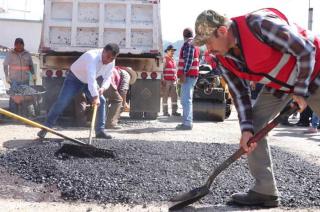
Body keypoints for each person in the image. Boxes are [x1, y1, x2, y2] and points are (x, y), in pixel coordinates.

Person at [193, 8, 320, 207]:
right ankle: (265, 191)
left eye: (208, 42)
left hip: (313, 71)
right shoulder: (222, 58)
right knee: (254, 125)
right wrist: (246, 130)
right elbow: (240, 94)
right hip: (281, 84)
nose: (208, 49)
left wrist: (301, 90)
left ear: (223, 31)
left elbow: (306, 50)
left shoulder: (260, 25)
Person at [37, 43, 120, 139]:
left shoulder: (111, 62)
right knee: (62, 102)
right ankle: (46, 128)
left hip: (88, 82)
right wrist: (95, 97)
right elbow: (91, 78)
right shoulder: (92, 56)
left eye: (112, 58)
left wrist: (103, 88)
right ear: (103, 51)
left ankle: (100, 131)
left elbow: (108, 77)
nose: (108, 60)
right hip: (74, 79)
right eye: (107, 57)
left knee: (102, 101)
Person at [175, 28, 200, 130]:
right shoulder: (194, 44)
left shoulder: (189, 44)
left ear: (183, 35)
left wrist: (183, 73)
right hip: (191, 76)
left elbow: (188, 60)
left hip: (188, 76)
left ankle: (187, 123)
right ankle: (188, 122)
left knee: (186, 100)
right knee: (187, 100)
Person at [3, 38, 36, 114]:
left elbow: (30, 65)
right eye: (17, 46)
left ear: (23, 45)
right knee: (14, 97)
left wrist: (33, 74)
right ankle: (13, 114)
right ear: (15, 45)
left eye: (20, 46)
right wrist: (7, 76)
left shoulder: (27, 54)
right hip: (14, 80)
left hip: (25, 80)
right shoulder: (10, 53)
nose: (19, 48)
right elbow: (5, 65)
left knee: (25, 98)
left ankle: (24, 114)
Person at [162, 44, 180, 117]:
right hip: (166, 81)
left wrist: (176, 79)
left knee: (174, 97)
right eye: (171, 51)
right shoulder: (165, 59)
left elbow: (175, 71)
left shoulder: (173, 60)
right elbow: (162, 70)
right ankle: (165, 112)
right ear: (167, 51)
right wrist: (163, 79)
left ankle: (174, 111)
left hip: (173, 81)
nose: (173, 52)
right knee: (165, 96)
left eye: (173, 51)